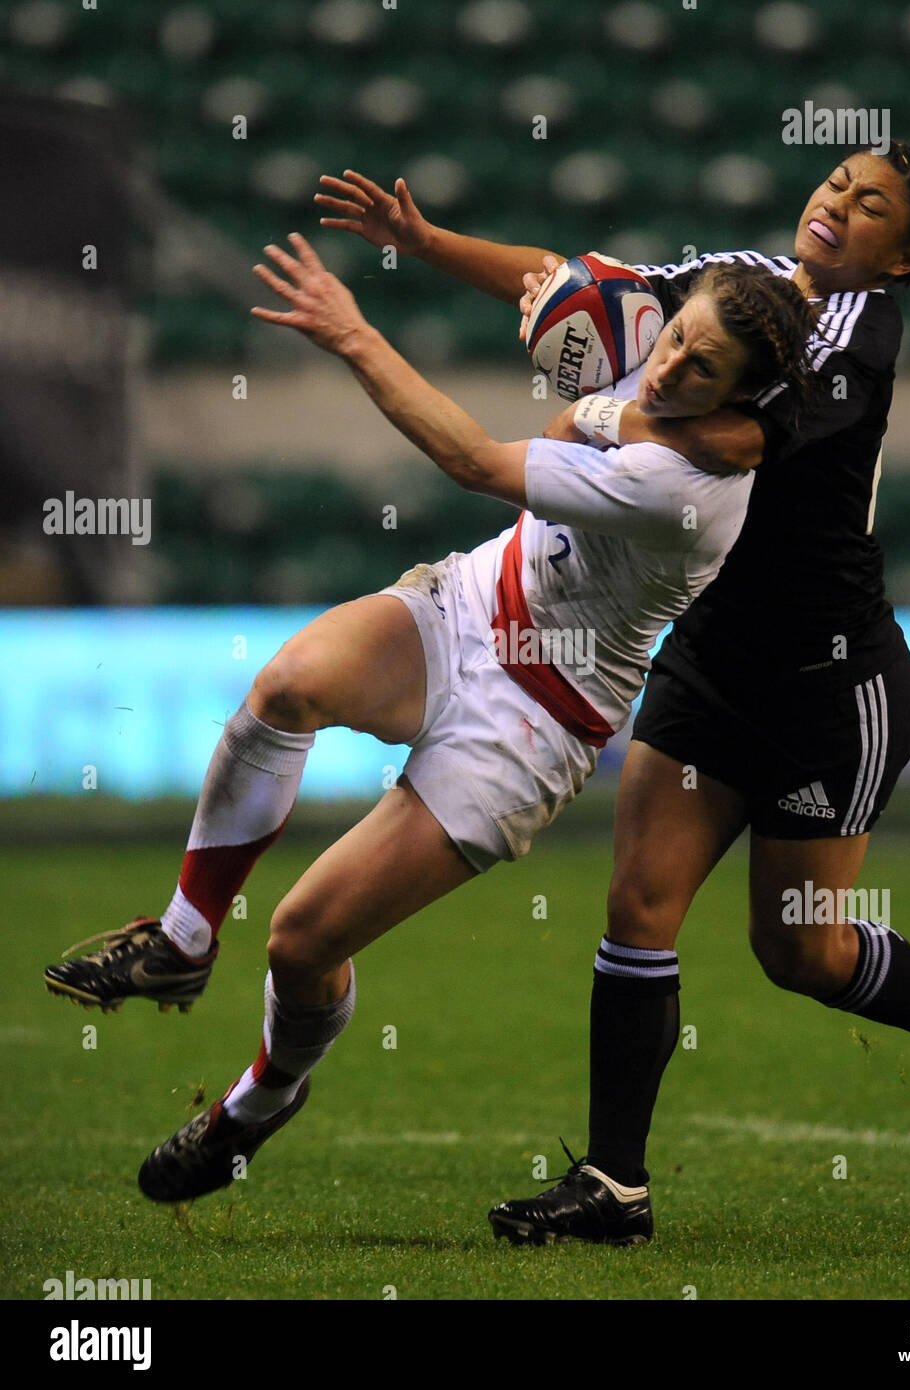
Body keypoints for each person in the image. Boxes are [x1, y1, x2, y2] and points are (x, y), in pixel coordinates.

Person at [313, 141, 910, 1248]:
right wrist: (426, 245)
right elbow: (585, 293)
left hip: (827, 678)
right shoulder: (744, 279)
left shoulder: (859, 335)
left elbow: (749, 435)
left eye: (873, 206)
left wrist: (607, 417)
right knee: (638, 908)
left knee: (799, 948)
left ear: (909, 257)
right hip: (710, 656)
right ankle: (616, 1184)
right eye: (837, 182)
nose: (838, 203)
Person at [44, 239, 816, 1204]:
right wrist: (451, 256)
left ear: (743, 398)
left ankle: (258, 1100)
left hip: (535, 719)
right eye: (678, 341)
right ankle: (183, 941)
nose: (669, 366)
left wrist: (355, 334)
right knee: (287, 687)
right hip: (470, 606)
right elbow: (573, 308)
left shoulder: (685, 493)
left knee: (300, 943)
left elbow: (468, 458)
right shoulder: (652, 366)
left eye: (703, 369)